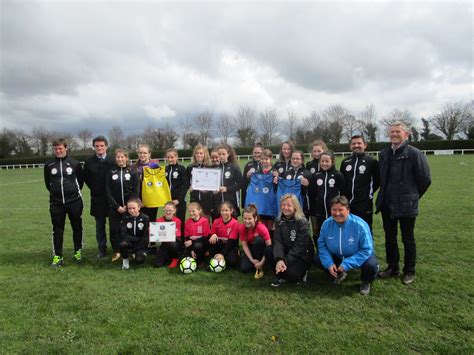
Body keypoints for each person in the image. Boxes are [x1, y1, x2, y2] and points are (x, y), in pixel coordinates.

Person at [376, 121, 431, 285]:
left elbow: (425, 180)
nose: (394, 134)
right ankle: (393, 267)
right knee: (390, 237)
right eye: (391, 132)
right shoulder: (384, 154)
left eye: (397, 132)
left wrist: (412, 196)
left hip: (407, 205)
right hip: (387, 204)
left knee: (408, 239)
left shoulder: (414, 153)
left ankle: (409, 271)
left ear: (406, 134)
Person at [316, 196, 379, 295]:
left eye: (341, 210)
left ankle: (366, 282)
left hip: (357, 255)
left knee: (371, 265)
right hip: (337, 256)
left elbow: (366, 250)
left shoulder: (360, 225)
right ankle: (339, 274)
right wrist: (328, 263)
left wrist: (347, 263)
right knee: (317, 259)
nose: (337, 213)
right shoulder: (326, 224)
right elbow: (322, 245)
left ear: (348, 210)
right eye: (334, 210)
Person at [44, 138, 84, 267]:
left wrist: (71, 193)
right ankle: (58, 256)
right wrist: (56, 194)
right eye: (55, 148)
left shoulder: (75, 163)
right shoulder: (49, 165)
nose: (58, 151)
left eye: (60, 148)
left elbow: (80, 182)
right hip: (56, 203)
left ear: (66, 148)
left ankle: (77, 252)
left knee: (77, 227)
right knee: (57, 230)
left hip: (74, 201)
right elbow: (48, 183)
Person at [271, 193, 314, 287]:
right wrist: (279, 259)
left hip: (301, 255)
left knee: (292, 275)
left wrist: (284, 261)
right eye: (283, 205)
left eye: (289, 205)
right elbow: (278, 241)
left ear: (295, 207)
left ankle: (302, 272)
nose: (285, 207)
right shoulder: (279, 221)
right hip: (287, 252)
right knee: (268, 251)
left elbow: (300, 247)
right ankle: (280, 274)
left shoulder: (302, 222)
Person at [83, 135, 115, 258]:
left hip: (113, 198)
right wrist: (95, 188)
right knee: (99, 226)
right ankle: (102, 249)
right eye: (97, 146)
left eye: (102, 145)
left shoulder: (113, 160)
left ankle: (116, 248)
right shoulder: (89, 161)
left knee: (114, 225)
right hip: (97, 198)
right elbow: (86, 178)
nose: (99, 148)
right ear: (94, 147)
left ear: (106, 146)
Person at [105, 149, 139, 262]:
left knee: (129, 230)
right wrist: (116, 206)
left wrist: (129, 206)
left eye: (122, 157)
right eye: (118, 157)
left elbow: (135, 190)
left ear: (126, 158)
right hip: (115, 208)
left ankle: (130, 250)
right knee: (115, 230)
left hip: (130, 208)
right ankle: (117, 251)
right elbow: (108, 191)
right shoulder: (111, 172)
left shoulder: (133, 171)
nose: (120, 159)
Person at [340, 135, 380, 231]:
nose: (356, 145)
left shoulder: (372, 161)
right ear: (350, 146)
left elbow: (377, 181)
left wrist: (367, 193)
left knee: (364, 231)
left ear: (365, 145)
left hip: (364, 204)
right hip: (347, 204)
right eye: (354, 143)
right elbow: (342, 182)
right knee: (348, 231)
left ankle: (367, 247)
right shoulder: (345, 162)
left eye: (359, 143)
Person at [310, 151, 345, 244]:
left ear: (332, 162)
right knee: (321, 234)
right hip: (319, 212)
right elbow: (312, 194)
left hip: (334, 211)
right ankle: (321, 253)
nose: (324, 163)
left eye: (327, 161)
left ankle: (336, 254)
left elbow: (343, 194)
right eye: (322, 161)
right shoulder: (316, 176)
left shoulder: (338, 175)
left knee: (334, 233)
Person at [239, 204, 272, 278]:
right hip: (251, 249)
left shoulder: (261, 228)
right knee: (244, 269)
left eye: (250, 219)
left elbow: (269, 247)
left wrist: (261, 262)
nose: (247, 221)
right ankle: (254, 263)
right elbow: (244, 245)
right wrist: (252, 259)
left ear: (255, 218)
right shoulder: (242, 228)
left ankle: (261, 266)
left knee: (258, 240)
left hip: (262, 250)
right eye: (245, 218)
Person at [277, 150, 312, 216]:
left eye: (297, 159)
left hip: (301, 207)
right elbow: (280, 189)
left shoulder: (307, 174)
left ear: (302, 161)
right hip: (287, 207)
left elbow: (312, 192)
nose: (295, 160)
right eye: (293, 158)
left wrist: (308, 186)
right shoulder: (286, 173)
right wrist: (275, 181)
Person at [306, 140, 328, 241]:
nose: (316, 153)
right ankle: (318, 252)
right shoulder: (309, 164)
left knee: (326, 228)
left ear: (324, 150)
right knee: (315, 229)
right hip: (313, 201)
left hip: (325, 201)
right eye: (314, 151)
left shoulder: (328, 163)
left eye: (319, 151)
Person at [213, 144, 243, 218]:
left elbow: (241, 184)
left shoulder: (234, 167)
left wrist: (227, 189)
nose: (221, 156)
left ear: (228, 154)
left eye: (223, 154)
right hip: (217, 202)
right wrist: (213, 190)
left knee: (232, 224)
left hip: (231, 201)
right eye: (219, 154)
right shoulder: (215, 168)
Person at [208, 201, 240, 268]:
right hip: (219, 245)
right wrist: (213, 234)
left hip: (230, 246)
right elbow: (211, 236)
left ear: (231, 211)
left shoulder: (235, 223)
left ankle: (224, 256)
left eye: (226, 210)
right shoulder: (216, 221)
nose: (224, 212)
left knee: (232, 262)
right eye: (222, 210)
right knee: (212, 240)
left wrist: (222, 254)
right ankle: (214, 258)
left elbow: (231, 242)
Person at [120, 198, 150, 270]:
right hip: (129, 242)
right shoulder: (125, 217)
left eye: (134, 208)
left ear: (139, 207)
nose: (131, 210)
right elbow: (123, 233)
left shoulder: (145, 218)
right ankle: (125, 260)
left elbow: (145, 236)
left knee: (139, 260)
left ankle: (136, 253)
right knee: (123, 244)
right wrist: (132, 241)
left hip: (140, 243)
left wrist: (137, 247)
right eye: (129, 208)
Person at [133, 144, 160, 221]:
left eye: (144, 153)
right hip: (139, 200)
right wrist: (137, 199)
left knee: (151, 220)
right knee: (140, 221)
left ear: (149, 154)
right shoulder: (133, 167)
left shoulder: (155, 166)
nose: (142, 155)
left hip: (152, 199)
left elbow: (159, 183)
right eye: (140, 153)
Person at [165, 148, 189, 235]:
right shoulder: (165, 169)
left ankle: (181, 241)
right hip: (168, 201)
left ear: (177, 157)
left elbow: (186, 185)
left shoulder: (181, 168)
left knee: (180, 220)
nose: (170, 159)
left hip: (179, 201)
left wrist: (179, 199)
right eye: (168, 157)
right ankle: (169, 240)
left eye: (172, 157)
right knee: (169, 220)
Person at [186, 144, 213, 217]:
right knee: (195, 219)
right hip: (194, 198)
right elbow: (187, 181)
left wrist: (208, 189)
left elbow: (213, 182)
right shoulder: (190, 167)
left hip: (207, 199)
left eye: (201, 153)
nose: (199, 155)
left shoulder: (210, 167)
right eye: (197, 153)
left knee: (206, 220)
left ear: (205, 154)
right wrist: (189, 187)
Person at [153, 201, 183, 268]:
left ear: (174, 211)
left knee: (173, 244)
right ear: (163, 210)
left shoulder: (177, 221)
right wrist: (152, 232)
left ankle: (175, 258)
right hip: (164, 243)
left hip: (174, 242)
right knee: (157, 264)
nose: (168, 212)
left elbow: (177, 235)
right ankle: (168, 257)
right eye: (166, 210)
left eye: (170, 210)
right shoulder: (159, 220)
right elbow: (156, 235)